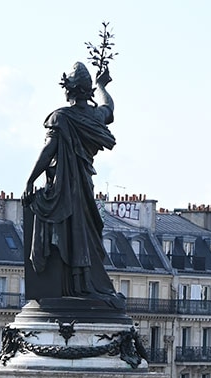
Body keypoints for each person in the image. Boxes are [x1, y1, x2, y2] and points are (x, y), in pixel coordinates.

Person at [22, 59, 126, 309]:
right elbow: (108, 108)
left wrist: (30, 180)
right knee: (85, 233)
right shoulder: (93, 116)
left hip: (63, 188)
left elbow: (49, 151)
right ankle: (82, 282)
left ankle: (74, 286)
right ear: (87, 90)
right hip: (84, 185)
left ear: (68, 89)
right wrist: (103, 86)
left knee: (67, 232)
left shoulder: (61, 117)